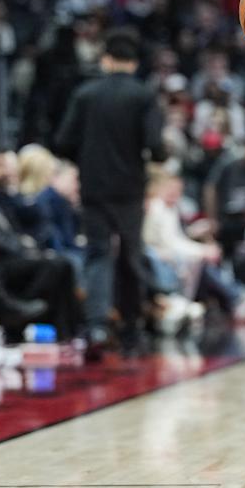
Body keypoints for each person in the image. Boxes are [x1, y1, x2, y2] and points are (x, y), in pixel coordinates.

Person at [54, 27, 165, 351]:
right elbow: (156, 147)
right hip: (130, 189)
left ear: (106, 58)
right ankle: (131, 325)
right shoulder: (143, 96)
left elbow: (63, 141)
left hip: (94, 188)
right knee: (131, 255)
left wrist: (86, 159)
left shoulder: (85, 94)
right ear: (134, 61)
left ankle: (97, 327)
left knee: (98, 253)